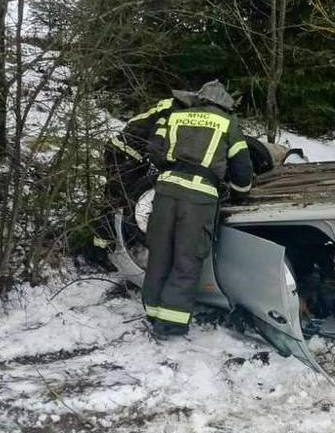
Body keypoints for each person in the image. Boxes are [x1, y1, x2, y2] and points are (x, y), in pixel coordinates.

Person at [143, 81, 253, 339]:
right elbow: (242, 168)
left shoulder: (176, 115)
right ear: (224, 103)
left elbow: (155, 151)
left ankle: (153, 311)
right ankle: (171, 322)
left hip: (166, 192)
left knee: (159, 254)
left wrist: (172, 167)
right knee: (187, 259)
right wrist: (239, 191)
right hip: (199, 198)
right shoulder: (227, 122)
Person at [91, 94, 193, 257]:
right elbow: (157, 143)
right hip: (124, 154)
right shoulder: (171, 114)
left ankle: (112, 244)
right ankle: (98, 252)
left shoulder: (169, 107)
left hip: (128, 154)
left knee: (122, 200)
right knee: (118, 201)